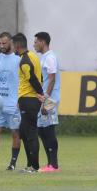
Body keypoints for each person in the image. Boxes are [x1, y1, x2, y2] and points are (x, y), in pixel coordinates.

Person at [12, 33, 44, 174]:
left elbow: (32, 78)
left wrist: (41, 93)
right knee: (24, 133)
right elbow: (40, 76)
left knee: (30, 133)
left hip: (29, 99)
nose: (12, 48)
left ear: (17, 45)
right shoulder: (33, 56)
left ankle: (34, 167)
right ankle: (30, 164)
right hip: (28, 99)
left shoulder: (24, 60)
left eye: (13, 45)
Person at [0, 31, 22, 170]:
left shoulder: (18, 60)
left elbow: (22, 81)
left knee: (15, 133)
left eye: (4, 43)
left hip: (14, 104)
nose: (1, 46)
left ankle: (12, 163)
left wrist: (20, 100)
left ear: (11, 42)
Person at [34, 31, 60, 172]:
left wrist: (46, 98)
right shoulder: (43, 58)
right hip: (43, 98)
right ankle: (50, 164)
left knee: (49, 130)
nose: (34, 45)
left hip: (50, 99)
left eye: (36, 42)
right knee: (42, 130)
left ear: (43, 42)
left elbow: (52, 79)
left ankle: (54, 165)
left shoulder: (50, 57)